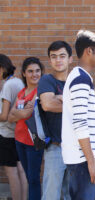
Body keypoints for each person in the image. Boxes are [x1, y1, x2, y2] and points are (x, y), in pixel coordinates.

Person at [61, 30, 95, 200]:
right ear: (89, 51)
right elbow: (80, 124)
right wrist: (91, 163)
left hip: (80, 159)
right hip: (82, 161)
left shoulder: (79, 77)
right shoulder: (81, 79)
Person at [38, 41, 72, 200]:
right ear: (50, 60)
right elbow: (47, 105)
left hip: (76, 148)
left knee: (72, 195)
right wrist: (72, 103)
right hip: (55, 148)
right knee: (50, 195)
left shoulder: (76, 81)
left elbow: (85, 109)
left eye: (62, 56)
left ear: (70, 59)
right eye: (54, 57)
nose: (58, 60)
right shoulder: (47, 80)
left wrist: (59, 98)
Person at [8, 57, 45, 200]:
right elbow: (10, 117)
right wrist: (20, 112)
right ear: (24, 73)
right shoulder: (22, 92)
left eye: (37, 71)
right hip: (19, 140)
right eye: (30, 71)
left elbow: (27, 113)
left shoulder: (40, 91)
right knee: (29, 178)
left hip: (33, 142)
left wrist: (18, 112)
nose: (34, 74)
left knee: (33, 178)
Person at [0, 54, 27, 200]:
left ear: (2, 68)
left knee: (11, 173)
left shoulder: (8, 85)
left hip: (7, 135)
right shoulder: (18, 82)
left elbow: (4, 116)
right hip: (17, 134)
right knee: (21, 171)